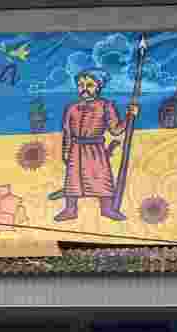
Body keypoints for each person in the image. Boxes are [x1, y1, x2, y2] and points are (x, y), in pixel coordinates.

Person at [52, 68, 138, 223]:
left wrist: (129, 117)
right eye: (80, 85)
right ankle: (70, 210)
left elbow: (116, 129)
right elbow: (67, 132)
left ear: (98, 86)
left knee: (101, 179)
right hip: (76, 150)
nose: (84, 89)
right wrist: (66, 151)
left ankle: (107, 209)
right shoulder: (71, 108)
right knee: (73, 181)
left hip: (95, 150)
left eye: (89, 85)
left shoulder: (106, 106)